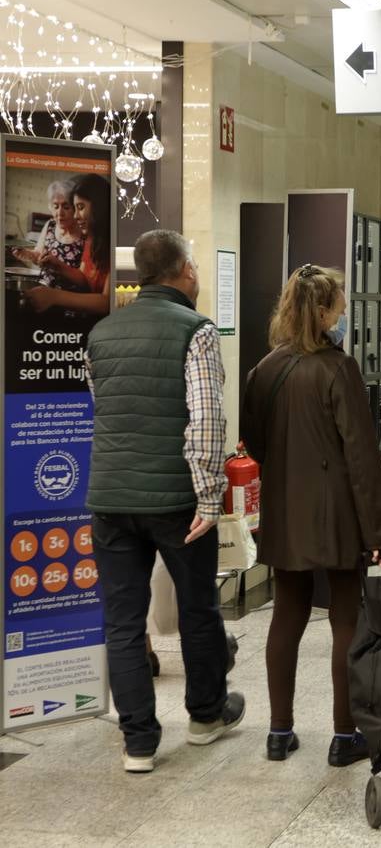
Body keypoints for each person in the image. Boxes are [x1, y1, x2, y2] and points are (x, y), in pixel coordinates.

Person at [85, 229, 244, 773]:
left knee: (122, 622)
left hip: (109, 497)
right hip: (176, 501)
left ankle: (138, 743)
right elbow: (206, 422)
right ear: (184, 271)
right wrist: (210, 496)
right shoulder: (195, 331)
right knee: (198, 607)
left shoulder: (101, 332)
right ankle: (205, 716)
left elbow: (102, 406)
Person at [240, 263, 381, 765]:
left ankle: (279, 732)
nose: (345, 312)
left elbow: (257, 445)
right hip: (337, 514)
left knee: (288, 613)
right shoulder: (338, 368)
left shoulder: (263, 370)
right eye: (341, 304)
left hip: (285, 510)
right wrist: (379, 531)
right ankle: (345, 735)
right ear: (324, 311)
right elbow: (361, 457)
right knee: (345, 616)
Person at [27, 173, 111, 315]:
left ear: (99, 206)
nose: (76, 215)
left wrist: (54, 296)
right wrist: (57, 265)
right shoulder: (92, 238)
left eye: (80, 207)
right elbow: (84, 279)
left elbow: (107, 302)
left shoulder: (114, 243)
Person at [11, 179, 84, 287]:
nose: (59, 213)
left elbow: (85, 280)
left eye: (66, 207)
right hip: (44, 289)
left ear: (75, 208)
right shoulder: (50, 225)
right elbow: (39, 256)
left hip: (71, 296)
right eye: (55, 206)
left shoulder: (84, 232)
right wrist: (28, 254)